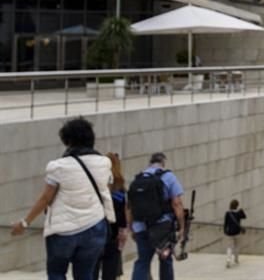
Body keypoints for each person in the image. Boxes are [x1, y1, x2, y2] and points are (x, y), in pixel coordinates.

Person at [10, 116, 115, 280]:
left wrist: (25, 222)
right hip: (95, 227)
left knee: (57, 273)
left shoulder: (58, 166)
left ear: (67, 141)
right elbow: (105, 191)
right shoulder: (105, 163)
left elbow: (46, 198)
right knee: (86, 274)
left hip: (63, 231)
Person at [128, 153, 185, 280]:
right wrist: (181, 226)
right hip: (162, 228)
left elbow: (130, 207)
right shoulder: (169, 176)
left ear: (150, 163)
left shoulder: (138, 179)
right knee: (165, 260)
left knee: (143, 261)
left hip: (140, 227)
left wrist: (130, 227)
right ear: (163, 163)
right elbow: (177, 203)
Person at [94, 152, 127, 280]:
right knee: (110, 272)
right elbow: (121, 214)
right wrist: (123, 232)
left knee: (92, 271)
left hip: (95, 232)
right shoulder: (119, 188)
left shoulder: (96, 184)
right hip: (113, 234)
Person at [222, 199, 247, 268]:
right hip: (237, 232)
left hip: (229, 232)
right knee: (236, 246)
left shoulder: (227, 213)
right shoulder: (238, 213)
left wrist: (225, 231)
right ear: (237, 206)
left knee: (229, 247)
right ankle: (236, 259)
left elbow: (225, 223)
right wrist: (242, 211)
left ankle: (228, 260)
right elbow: (245, 217)